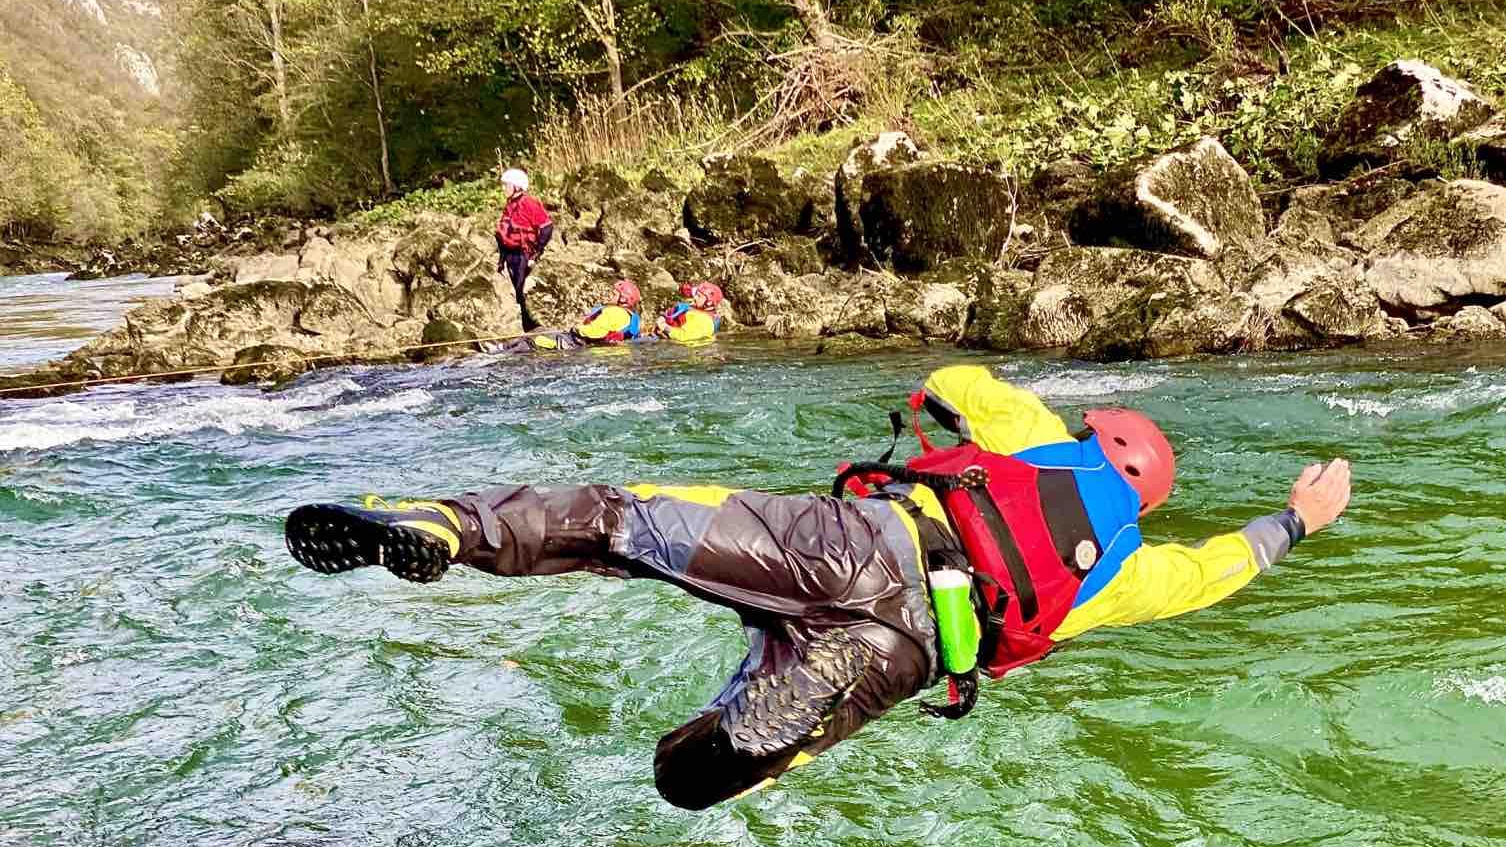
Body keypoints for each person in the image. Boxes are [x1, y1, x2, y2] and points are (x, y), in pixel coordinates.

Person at [283, 365, 1352, 811]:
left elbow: (955, 384)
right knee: (710, 766)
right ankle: (739, 750)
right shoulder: (1126, 572)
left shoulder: (1031, 435)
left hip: (855, 545)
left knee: (622, 524)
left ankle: (447, 528)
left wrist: (934, 400)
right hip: (910, 651)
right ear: (1146, 505)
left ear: (1089, 441)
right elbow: (1223, 570)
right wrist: (1298, 518)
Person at [482, 280, 644, 353]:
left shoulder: (613, 312)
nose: (609, 294)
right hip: (584, 345)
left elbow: (596, 332)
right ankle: (502, 348)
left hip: (580, 346)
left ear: (623, 299)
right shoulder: (627, 315)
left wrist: (578, 328)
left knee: (536, 339)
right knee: (540, 330)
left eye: (614, 293)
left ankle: (502, 353)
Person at [494, 168, 554, 333]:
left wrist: (536, 252)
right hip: (511, 255)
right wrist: (501, 261)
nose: (503, 188)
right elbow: (504, 234)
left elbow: (547, 228)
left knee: (523, 292)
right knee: (518, 294)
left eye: (506, 185)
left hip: (524, 254)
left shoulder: (529, 203)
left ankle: (533, 330)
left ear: (517, 187)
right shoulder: (510, 205)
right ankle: (527, 330)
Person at [653, 281, 722, 346]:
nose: (694, 297)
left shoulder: (704, 321)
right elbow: (689, 291)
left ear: (709, 302)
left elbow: (684, 336)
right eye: (696, 294)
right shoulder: (701, 307)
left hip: (682, 346)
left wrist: (664, 326)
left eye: (698, 296)